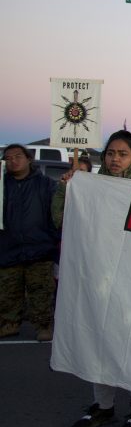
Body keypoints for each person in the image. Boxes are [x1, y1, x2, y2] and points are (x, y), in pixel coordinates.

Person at [55, 130, 131, 427]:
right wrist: (67, 190)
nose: (115, 159)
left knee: (130, 342)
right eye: (110, 153)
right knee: (98, 339)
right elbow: (61, 219)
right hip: (98, 277)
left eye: (123, 154)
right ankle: (103, 405)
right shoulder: (91, 188)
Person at [0, 144, 59, 340]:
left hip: (39, 247)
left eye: (18, 156)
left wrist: (55, 239)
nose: (13, 161)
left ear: (28, 159)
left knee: (41, 291)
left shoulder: (45, 184)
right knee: (9, 290)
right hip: (8, 247)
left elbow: (56, 212)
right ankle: (10, 324)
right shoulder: (2, 184)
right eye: (8, 158)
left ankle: (43, 326)